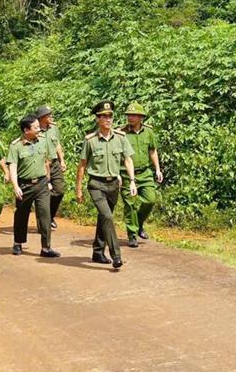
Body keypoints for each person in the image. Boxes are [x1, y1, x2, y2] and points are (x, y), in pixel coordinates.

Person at [76, 100, 136, 270]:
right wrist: (78, 189)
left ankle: (97, 251)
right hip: (96, 184)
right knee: (108, 217)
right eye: (104, 116)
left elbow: (128, 159)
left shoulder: (121, 138)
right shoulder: (90, 140)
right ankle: (116, 256)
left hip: (113, 185)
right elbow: (82, 165)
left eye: (110, 116)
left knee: (104, 217)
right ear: (98, 119)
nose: (108, 119)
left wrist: (132, 181)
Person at [6, 115, 60, 258]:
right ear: (26, 130)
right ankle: (18, 242)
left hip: (41, 183)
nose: (38, 129)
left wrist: (48, 181)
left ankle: (46, 247)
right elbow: (12, 166)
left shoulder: (43, 141)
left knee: (45, 214)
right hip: (25, 185)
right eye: (35, 127)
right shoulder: (16, 145)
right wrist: (16, 186)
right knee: (22, 214)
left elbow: (46, 162)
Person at [120, 103, 164, 247]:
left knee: (150, 199)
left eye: (133, 115)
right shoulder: (121, 133)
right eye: (128, 115)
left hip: (145, 173)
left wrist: (157, 169)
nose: (130, 118)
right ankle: (132, 234)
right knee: (130, 205)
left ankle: (138, 224)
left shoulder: (148, 132)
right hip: (126, 174)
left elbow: (152, 150)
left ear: (141, 117)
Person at [37, 106, 67, 230]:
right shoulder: (35, 129)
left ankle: (50, 216)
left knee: (59, 191)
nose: (51, 117)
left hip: (54, 164)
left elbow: (57, 144)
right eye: (49, 115)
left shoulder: (54, 128)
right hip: (41, 165)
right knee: (43, 195)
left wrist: (62, 160)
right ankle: (42, 224)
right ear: (42, 118)